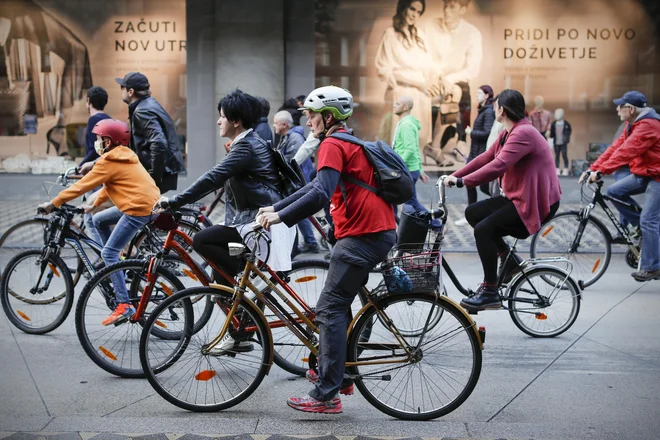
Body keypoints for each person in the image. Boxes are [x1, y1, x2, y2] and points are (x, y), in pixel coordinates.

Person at [257, 86, 397, 414]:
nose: (306, 121)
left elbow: (321, 193)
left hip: (364, 236)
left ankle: (326, 393)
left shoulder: (333, 144)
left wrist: (280, 217)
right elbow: (313, 187)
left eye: (310, 115)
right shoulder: (344, 141)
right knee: (339, 305)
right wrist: (277, 207)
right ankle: (342, 375)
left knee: (329, 309)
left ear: (328, 117)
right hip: (371, 233)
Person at [158, 89, 283, 299]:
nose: (218, 121)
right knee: (221, 280)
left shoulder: (246, 147)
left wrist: (174, 202)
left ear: (236, 121)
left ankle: (247, 275)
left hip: (257, 223)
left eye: (222, 116)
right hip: (248, 221)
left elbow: (212, 177)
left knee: (201, 240)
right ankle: (242, 325)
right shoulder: (246, 143)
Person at [444, 89, 561, 312]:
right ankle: (510, 262)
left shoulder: (523, 133)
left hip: (534, 202)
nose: (494, 109)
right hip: (519, 197)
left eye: (496, 106)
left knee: (484, 230)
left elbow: (499, 166)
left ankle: (490, 291)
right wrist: (456, 175)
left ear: (502, 110)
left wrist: (463, 183)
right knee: (473, 213)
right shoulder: (510, 131)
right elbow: (486, 157)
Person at [37, 119, 159, 325]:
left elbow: (82, 186)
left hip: (138, 209)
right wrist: (93, 206)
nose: (97, 143)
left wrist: (53, 203)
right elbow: (110, 184)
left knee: (108, 253)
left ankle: (123, 304)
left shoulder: (108, 161)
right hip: (149, 204)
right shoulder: (125, 156)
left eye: (100, 139)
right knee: (99, 219)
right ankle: (120, 258)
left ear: (110, 142)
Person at [580, 91, 660, 281]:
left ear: (630, 109)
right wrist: (594, 168)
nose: (617, 109)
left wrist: (602, 172)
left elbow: (627, 151)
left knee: (649, 220)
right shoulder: (632, 124)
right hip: (645, 173)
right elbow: (615, 148)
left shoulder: (648, 126)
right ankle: (641, 228)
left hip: (657, 177)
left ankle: (652, 267)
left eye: (620, 106)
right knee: (614, 191)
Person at [96, 72, 185, 194]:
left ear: (130, 92)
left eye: (122, 87)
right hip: (162, 172)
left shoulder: (142, 111)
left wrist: (152, 177)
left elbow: (158, 143)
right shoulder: (149, 105)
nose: (121, 91)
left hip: (156, 175)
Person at [424, 0, 483, 165]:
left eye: (452, 7)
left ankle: (459, 140)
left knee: (458, 91)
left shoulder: (472, 33)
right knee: (441, 95)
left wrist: (449, 80)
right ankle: (437, 144)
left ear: (463, 9)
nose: (446, 10)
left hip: (456, 80)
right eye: (445, 5)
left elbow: (472, 69)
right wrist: (435, 78)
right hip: (433, 79)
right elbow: (425, 55)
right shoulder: (431, 26)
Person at [375, 0, 435, 156]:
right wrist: (417, 83)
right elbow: (385, 68)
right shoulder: (390, 35)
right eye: (412, 9)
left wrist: (428, 83)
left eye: (418, 12)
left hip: (421, 94)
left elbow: (429, 65)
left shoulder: (420, 36)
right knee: (400, 137)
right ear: (403, 8)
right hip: (402, 90)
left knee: (417, 139)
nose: (415, 15)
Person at [273, 110, 319, 253]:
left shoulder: (294, 138)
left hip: (299, 182)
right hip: (297, 181)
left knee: (299, 212)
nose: (273, 126)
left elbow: (292, 162)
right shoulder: (287, 137)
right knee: (299, 212)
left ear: (284, 124)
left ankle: (311, 242)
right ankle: (309, 242)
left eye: (275, 123)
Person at [391, 95, 438, 227]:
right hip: (411, 169)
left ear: (405, 107)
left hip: (407, 171)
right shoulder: (406, 123)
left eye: (398, 103)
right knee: (394, 200)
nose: (394, 105)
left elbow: (410, 150)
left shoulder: (406, 125)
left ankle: (436, 225)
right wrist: (420, 170)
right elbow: (416, 149)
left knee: (410, 202)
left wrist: (395, 166)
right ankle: (394, 228)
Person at [455, 85, 495, 226]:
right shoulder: (483, 110)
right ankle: (471, 213)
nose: (477, 95)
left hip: (481, 154)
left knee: (484, 186)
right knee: (469, 183)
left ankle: (502, 206)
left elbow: (487, 133)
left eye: (479, 93)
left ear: (487, 95)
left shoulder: (489, 112)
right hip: (475, 153)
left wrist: (470, 133)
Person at [79, 86, 112, 244]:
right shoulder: (108, 118)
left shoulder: (94, 120)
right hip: (103, 169)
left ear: (88, 102)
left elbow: (94, 149)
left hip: (96, 171)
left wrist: (83, 164)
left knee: (91, 217)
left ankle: (104, 254)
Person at [549, 108, 572, 176]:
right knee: (557, 156)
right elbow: (551, 133)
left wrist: (566, 139)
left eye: (558, 114)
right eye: (556, 114)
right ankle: (557, 168)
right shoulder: (553, 124)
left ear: (562, 115)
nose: (557, 115)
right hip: (556, 142)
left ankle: (565, 168)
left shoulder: (566, 124)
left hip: (563, 142)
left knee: (564, 155)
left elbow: (569, 132)